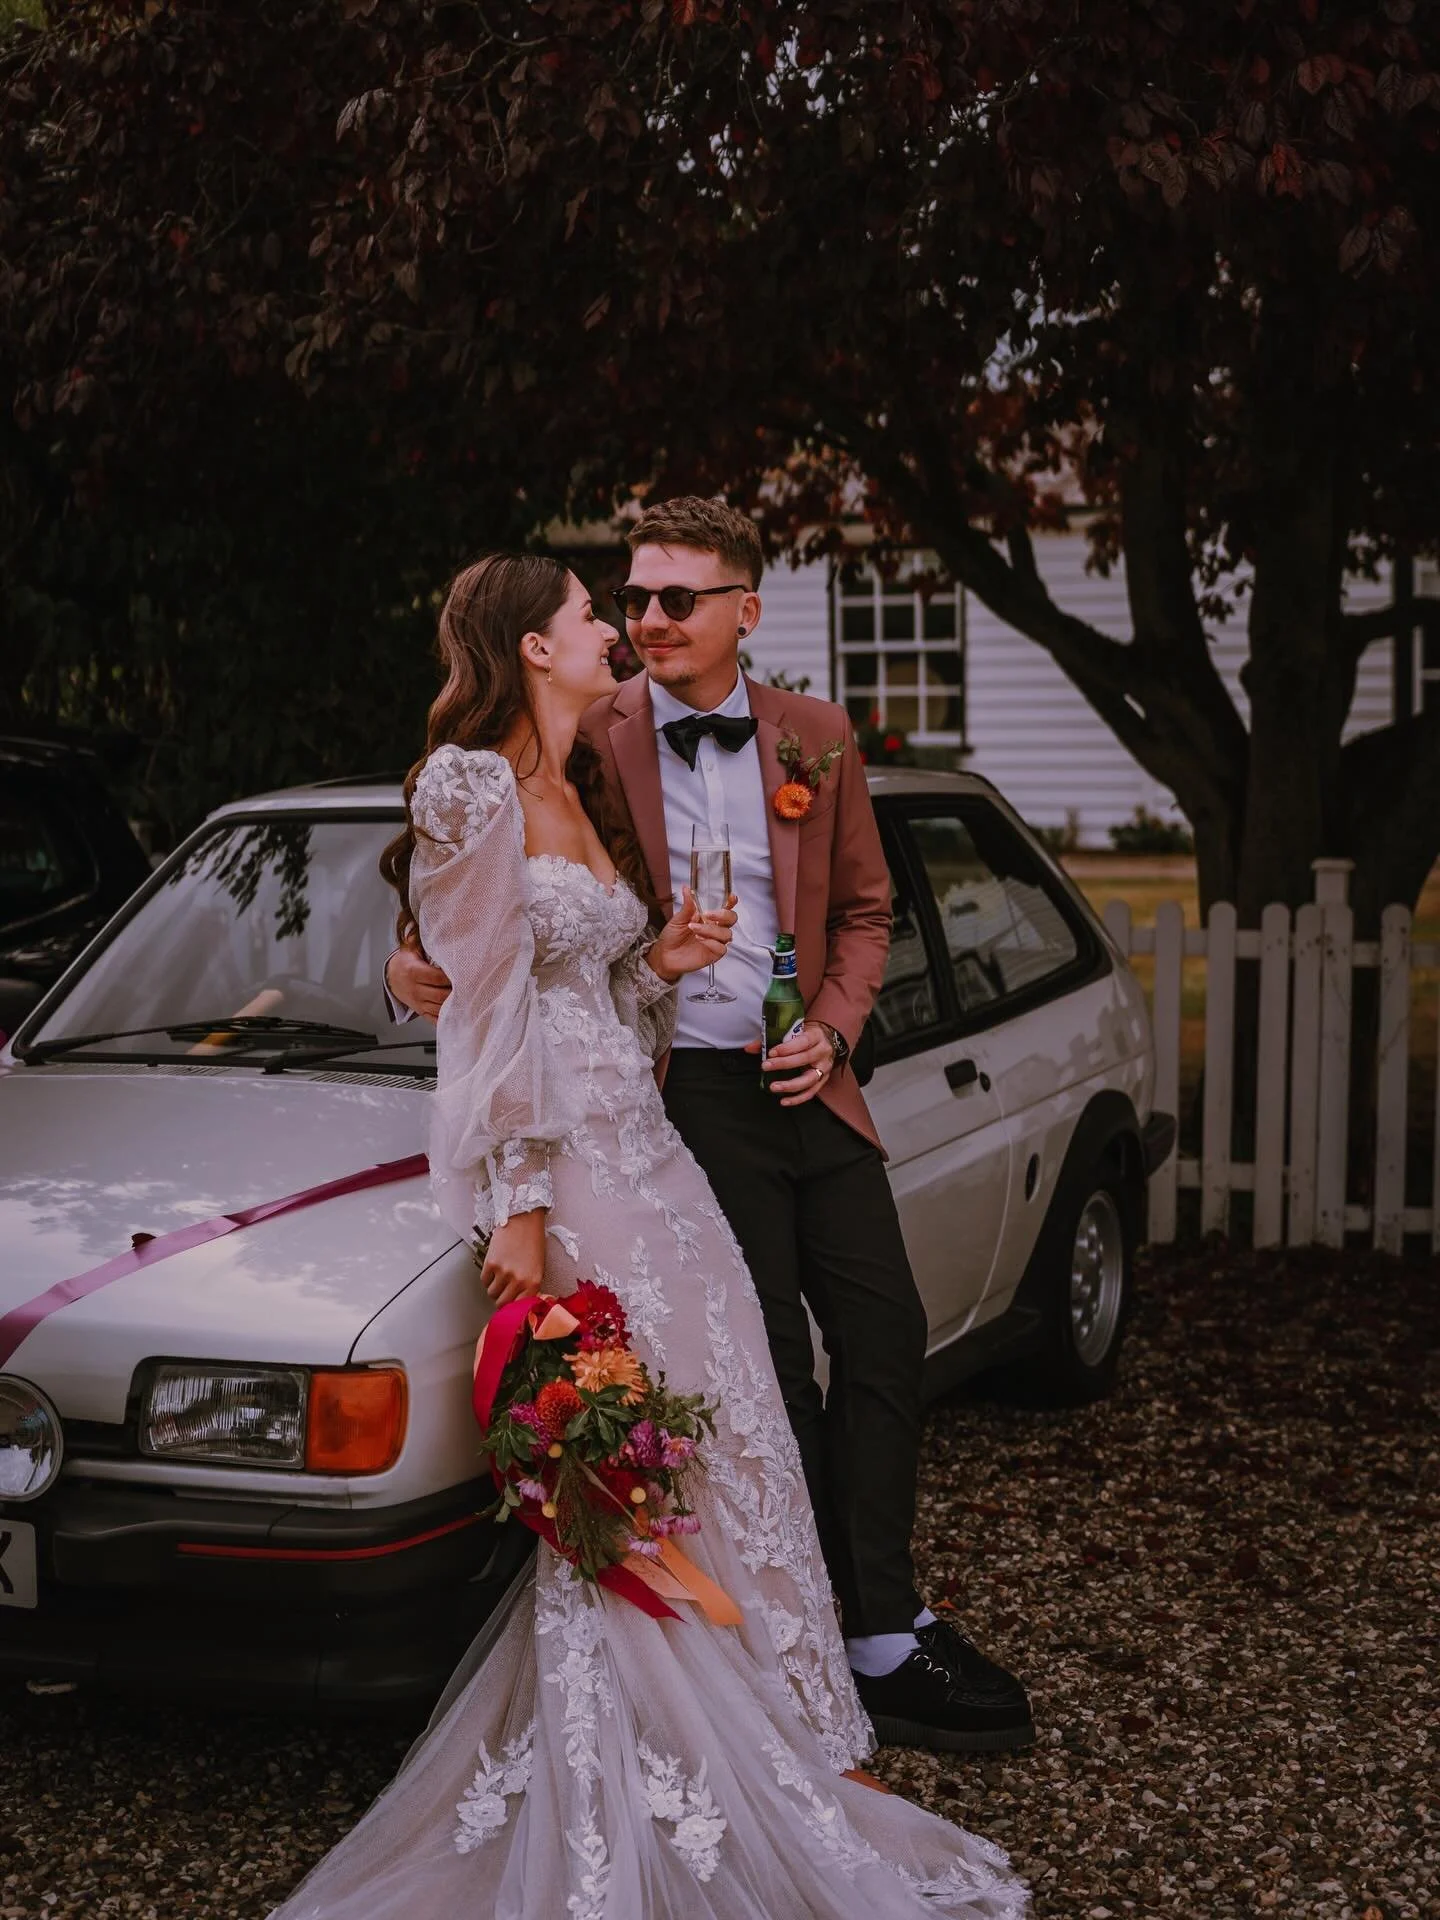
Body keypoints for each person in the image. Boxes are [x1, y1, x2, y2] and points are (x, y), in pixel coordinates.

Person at [269, 551, 1025, 1919]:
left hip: (652, 1147)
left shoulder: (587, 771)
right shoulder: (469, 784)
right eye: (586, 613)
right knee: (637, 1447)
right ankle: (653, 1767)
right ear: (530, 646)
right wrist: (524, 1204)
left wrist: (650, 965)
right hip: (571, 1176)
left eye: (640, 605)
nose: (617, 626)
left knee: (734, 1421)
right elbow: (485, 1010)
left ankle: (777, 1736)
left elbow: (583, 986)